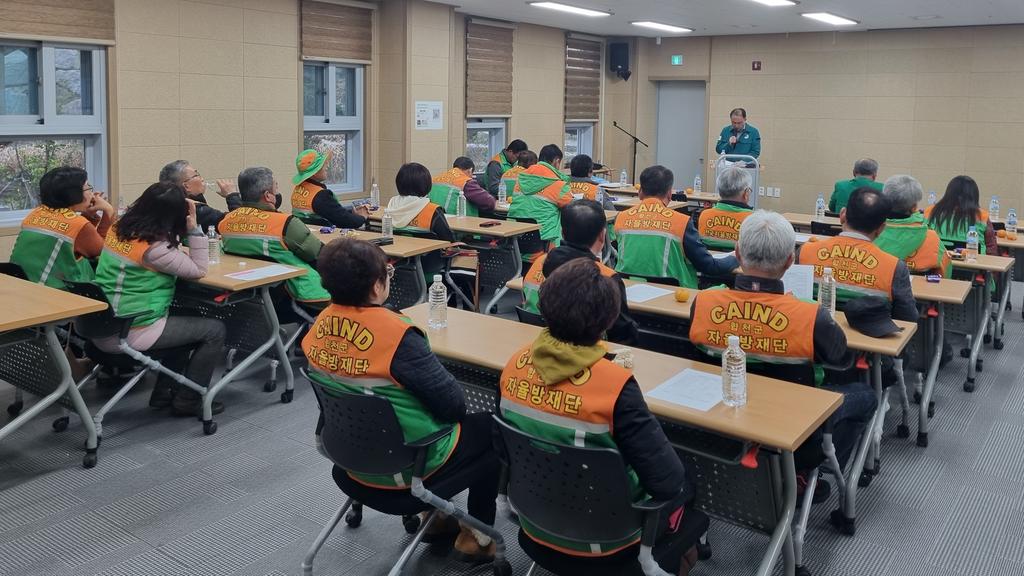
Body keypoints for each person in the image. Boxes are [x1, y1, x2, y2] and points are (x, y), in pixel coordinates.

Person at [303, 237, 499, 562]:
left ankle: (438, 518)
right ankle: (477, 538)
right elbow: (454, 406)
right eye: (388, 274)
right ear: (377, 286)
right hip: (408, 467)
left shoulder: (317, 327)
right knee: (490, 429)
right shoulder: (396, 336)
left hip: (347, 457)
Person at [500, 258, 697, 572]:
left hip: (534, 523)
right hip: (611, 539)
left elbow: (504, 450)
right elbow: (668, 483)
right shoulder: (615, 387)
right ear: (609, 319)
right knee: (687, 478)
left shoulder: (513, 365)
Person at [688, 211, 875, 482]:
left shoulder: (704, 301)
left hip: (720, 419)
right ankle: (813, 472)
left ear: (737, 254)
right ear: (790, 261)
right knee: (866, 394)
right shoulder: (811, 314)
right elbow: (841, 359)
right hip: (794, 427)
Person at [93, 182, 227, 417]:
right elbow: (199, 270)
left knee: (187, 318)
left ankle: (164, 392)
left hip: (102, 324)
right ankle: (189, 399)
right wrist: (194, 229)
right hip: (130, 329)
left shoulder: (119, 229)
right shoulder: (154, 248)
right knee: (214, 330)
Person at [521, 199, 638, 345]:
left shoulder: (538, 262)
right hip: (586, 352)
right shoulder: (607, 276)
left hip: (537, 343)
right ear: (602, 236)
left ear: (562, 233)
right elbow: (621, 334)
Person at [797, 187, 918, 322]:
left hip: (811, 330)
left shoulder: (804, 252)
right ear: (881, 228)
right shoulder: (894, 267)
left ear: (842, 215)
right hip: (870, 332)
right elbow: (908, 318)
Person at [219, 167, 330, 310]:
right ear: (268, 196)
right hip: (300, 293)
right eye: (276, 187)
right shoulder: (285, 223)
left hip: (250, 297)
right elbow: (320, 255)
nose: (277, 192)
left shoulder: (226, 222)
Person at [614, 165, 738, 288]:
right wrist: (735, 259)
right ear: (669, 193)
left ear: (640, 192)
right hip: (676, 292)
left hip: (626, 289)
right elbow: (708, 266)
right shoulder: (681, 222)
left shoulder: (621, 218)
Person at [11, 167, 113, 289]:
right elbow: (103, 252)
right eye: (88, 187)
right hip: (53, 292)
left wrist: (89, 215)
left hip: (22, 285)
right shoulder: (77, 224)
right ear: (74, 194)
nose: (92, 193)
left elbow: (79, 237)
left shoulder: (36, 213)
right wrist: (108, 212)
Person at [876, 175, 951, 277]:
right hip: (916, 286)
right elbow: (945, 271)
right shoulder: (931, 238)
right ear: (914, 207)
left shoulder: (870, 231)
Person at [507, 144, 573, 251]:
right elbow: (573, 211)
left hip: (516, 241)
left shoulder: (522, 179)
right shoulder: (559, 185)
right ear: (556, 161)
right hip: (545, 243)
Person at [291, 149, 370, 229]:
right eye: (323, 165)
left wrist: (350, 211)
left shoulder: (299, 188)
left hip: (305, 232)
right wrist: (362, 216)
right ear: (315, 172)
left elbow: (327, 211)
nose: (327, 167)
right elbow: (345, 221)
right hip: (323, 234)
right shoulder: (321, 195)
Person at [158, 160, 242, 232]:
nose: (202, 178)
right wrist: (232, 195)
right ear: (186, 186)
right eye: (196, 175)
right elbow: (240, 224)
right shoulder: (195, 210)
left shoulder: (166, 207)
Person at [925, 175, 998, 255]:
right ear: (974, 196)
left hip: (937, 261)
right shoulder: (982, 216)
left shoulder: (930, 212)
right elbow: (992, 250)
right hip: (974, 261)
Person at [696, 167, 754, 250]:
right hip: (739, 258)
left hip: (709, 258)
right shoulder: (752, 219)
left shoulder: (704, 215)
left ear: (719, 191)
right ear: (746, 193)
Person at [430, 157, 496, 217]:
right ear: (470, 170)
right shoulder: (465, 181)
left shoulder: (435, 179)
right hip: (458, 221)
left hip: (435, 220)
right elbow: (489, 202)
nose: (471, 177)